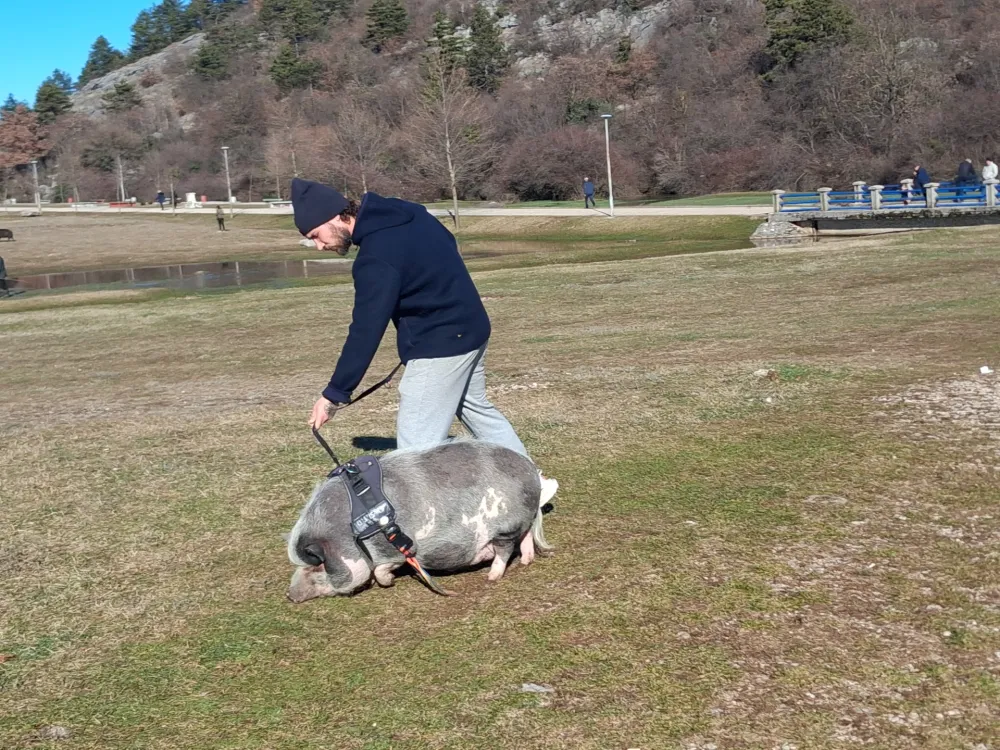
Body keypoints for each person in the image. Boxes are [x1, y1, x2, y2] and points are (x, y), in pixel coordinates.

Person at [292, 177, 558, 495]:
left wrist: (335, 392)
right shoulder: (406, 212)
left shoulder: (374, 258)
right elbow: (447, 244)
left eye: (316, 236)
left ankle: (428, 533)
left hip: (440, 347)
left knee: (414, 454)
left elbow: (365, 329)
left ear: (335, 216)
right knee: (476, 408)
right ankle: (532, 487)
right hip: (471, 327)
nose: (319, 246)